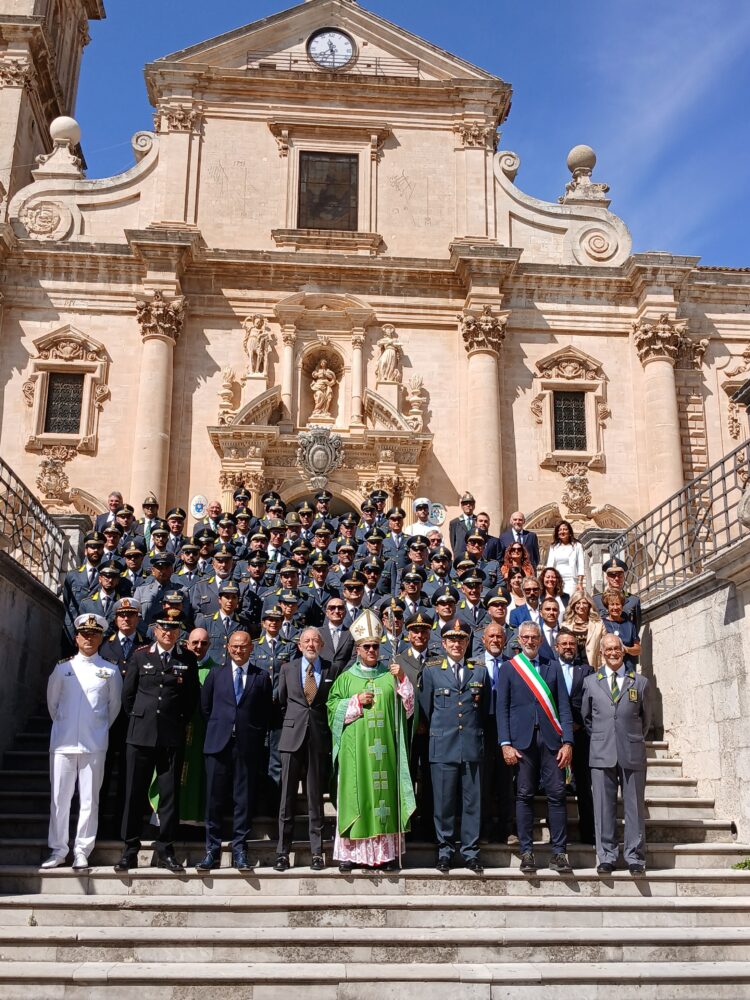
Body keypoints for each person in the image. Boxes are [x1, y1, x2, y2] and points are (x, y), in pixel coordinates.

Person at [327, 609, 416, 872]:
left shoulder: (391, 676)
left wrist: (402, 679)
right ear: (357, 649)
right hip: (355, 756)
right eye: (367, 646)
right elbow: (331, 709)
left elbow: (409, 708)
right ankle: (350, 856)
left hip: (385, 753)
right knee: (356, 798)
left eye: (376, 646)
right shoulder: (346, 679)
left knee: (383, 801)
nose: (372, 651)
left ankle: (386, 856)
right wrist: (354, 702)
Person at [116, 618, 199, 873]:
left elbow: (191, 699)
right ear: (155, 631)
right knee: (133, 793)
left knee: (170, 795)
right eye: (164, 628)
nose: (168, 632)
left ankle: (166, 850)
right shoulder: (141, 656)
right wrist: (142, 718)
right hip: (140, 735)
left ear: (178, 632)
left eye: (174, 628)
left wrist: (175, 722)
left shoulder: (187, 658)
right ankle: (129, 850)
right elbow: (128, 696)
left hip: (170, 736)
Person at [42, 613, 122, 870]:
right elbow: (52, 705)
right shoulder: (62, 668)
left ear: (101, 638)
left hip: (94, 743)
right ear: (76, 637)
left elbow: (113, 708)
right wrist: (67, 725)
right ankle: (58, 849)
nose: (89, 638)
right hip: (64, 742)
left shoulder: (110, 670)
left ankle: (82, 850)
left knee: (90, 799)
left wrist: (95, 730)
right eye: (84, 634)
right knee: (59, 798)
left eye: (94, 634)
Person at [496, 621, 574, 874]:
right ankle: (526, 851)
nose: (530, 641)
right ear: (518, 640)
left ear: (541, 640)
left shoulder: (553, 668)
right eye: (526, 637)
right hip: (522, 742)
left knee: (557, 794)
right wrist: (505, 743)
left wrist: (568, 742)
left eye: (534, 637)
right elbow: (502, 708)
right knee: (524, 794)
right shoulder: (509, 668)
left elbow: (564, 706)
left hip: (552, 741)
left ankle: (559, 852)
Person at [197, 631, 273, 872]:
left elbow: (264, 713)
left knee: (243, 800)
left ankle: (240, 849)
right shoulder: (215, 674)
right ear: (227, 647)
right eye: (234, 646)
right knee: (214, 799)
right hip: (218, 745)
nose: (239, 651)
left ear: (251, 648)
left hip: (247, 747)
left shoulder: (261, 677)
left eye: (243, 647)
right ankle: (212, 850)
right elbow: (206, 708)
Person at [420, 618, 491, 873]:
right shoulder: (431, 671)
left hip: (471, 744)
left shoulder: (479, 671)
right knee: (444, 803)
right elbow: (426, 710)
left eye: (461, 639)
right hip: (442, 745)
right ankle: (445, 851)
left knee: (472, 802)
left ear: (468, 642)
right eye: (452, 639)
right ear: (443, 642)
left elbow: (484, 710)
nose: (456, 644)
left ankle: (471, 852)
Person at [582, 634, 653, 875]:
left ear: (623, 652)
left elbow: (646, 720)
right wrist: (605, 735)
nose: (613, 653)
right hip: (602, 751)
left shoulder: (639, 682)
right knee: (603, 807)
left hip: (631, 750)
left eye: (617, 649)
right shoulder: (591, 682)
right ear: (601, 652)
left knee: (634, 806)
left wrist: (628, 736)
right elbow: (587, 718)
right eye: (609, 649)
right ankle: (606, 856)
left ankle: (635, 856)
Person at [275, 628, 335, 871]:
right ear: (299, 646)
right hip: (291, 737)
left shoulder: (331, 668)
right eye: (306, 641)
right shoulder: (287, 669)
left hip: (317, 739)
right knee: (286, 799)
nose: (311, 644)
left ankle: (317, 852)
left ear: (321, 645)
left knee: (315, 799)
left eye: (315, 641)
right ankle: (282, 852)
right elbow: (281, 700)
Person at [554, 627, 595, 845]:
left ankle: (588, 832)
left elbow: (592, 701)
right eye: (564, 644)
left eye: (572, 644)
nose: (569, 647)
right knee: (556, 788)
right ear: (556, 647)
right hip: (556, 736)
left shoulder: (587, 670)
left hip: (582, 735)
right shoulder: (548, 669)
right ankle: (558, 836)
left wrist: (580, 724)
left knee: (585, 787)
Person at [477, 622, 514, 845]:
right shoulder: (475, 665)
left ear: (505, 640)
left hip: (506, 728)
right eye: (491, 636)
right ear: (483, 640)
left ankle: (507, 828)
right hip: (482, 727)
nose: (495, 640)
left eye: (499, 637)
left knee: (506, 781)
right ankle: (482, 830)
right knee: (482, 781)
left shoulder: (512, 665)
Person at [599, 587, 641, 669]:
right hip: (607, 668)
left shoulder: (629, 625)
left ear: (622, 606)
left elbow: (638, 649)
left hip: (627, 668)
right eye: (612, 604)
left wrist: (626, 650)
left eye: (618, 604)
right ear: (607, 607)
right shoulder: (601, 624)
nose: (615, 608)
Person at [563, 591, 606, 669]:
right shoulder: (565, 625)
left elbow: (604, 647)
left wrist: (603, 667)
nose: (581, 606)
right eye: (578, 603)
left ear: (590, 605)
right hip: (572, 667)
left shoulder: (599, 624)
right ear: (573, 605)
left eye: (584, 603)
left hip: (593, 667)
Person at [546, 520, 586, 596]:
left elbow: (581, 565)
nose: (562, 532)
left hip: (571, 580)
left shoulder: (577, 545)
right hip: (556, 579)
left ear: (569, 532)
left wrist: (580, 583)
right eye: (560, 530)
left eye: (565, 529)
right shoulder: (553, 547)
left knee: (569, 602)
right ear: (557, 533)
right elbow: (549, 565)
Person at [448, 492, 476, 556]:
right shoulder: (454, 523)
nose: (468, 505)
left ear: (474, 505)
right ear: (462, 506)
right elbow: (453, 543)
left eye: (470, 503)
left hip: (475, 556)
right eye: (465, 503)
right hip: (460, 556)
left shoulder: (478, 521)